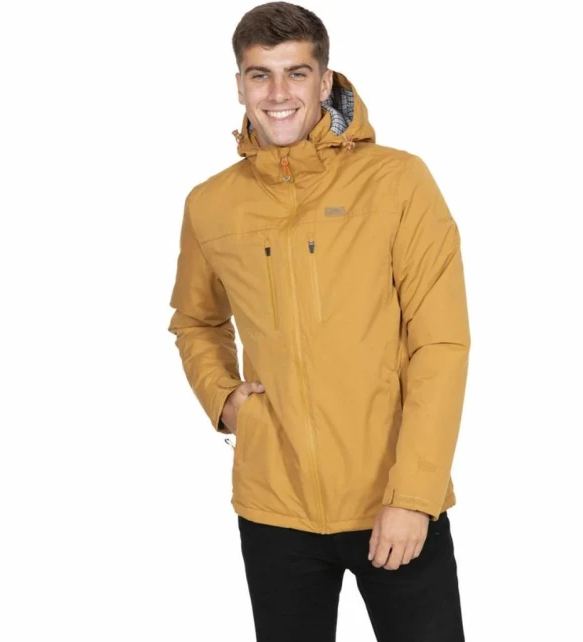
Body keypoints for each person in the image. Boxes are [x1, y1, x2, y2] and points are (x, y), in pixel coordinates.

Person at [167, 2, 471, 640]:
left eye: (296, 73)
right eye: (260, 75)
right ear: (240, 85)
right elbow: (195, 320)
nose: (278, 94)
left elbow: (440, 345)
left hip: (392, 500)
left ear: (325, 80)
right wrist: (223, 399)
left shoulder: (398, 182)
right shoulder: (211, 203)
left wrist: (414, 496)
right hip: (274, 509)